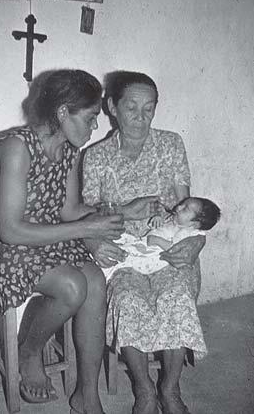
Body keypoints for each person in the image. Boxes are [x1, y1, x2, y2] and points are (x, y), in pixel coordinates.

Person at [0, 69, 158, 414]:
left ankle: (87, 396)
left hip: (46, 240)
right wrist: (88, 230)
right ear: (62, 112)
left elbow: (69, 211)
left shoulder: (68, 151)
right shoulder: (16, 148)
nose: (95, 126)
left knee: (95, 280)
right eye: (91, 117)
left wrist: (122, 212)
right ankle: (29, 350)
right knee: (71, 286)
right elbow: (10, 230)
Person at [82, 71, 207, 414]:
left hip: (169, 247)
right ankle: (143, 387)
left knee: (176, 296)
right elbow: (88, 218)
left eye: (149, 109)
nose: (141, 117)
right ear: (112, 107)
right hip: (122, 252)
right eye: (132, 107)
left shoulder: (171, 145)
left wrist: (197, 243)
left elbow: (190, 206)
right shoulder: (96, 157)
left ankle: (170, 387)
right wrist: (100, 240)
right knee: (128, 298)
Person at [100, 196, 221, 280]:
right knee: (124, 240)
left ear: (194, 224)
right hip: (145, 242)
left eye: (185, 209)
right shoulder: (176, 220)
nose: (178, 207)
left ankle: (110, 267)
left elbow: (175, 249)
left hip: (156, 254)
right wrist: (157, 219)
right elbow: (162, 227)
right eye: (181, 204)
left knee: (129, 256)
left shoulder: (186, 232)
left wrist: (157, 240)